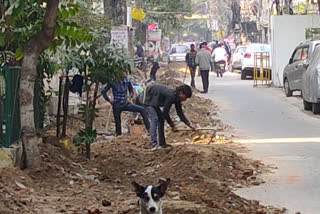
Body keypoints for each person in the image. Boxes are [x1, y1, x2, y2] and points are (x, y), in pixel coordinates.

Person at [138, 84, 195, 149]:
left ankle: (162, 143)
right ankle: (153, 144)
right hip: (147, 98)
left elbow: (180, 112)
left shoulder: (177, 97)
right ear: (181, 93)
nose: (185, 99)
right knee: (155, 118)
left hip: (154, 100)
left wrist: (189, 124)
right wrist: (172, 125)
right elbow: (165, 112)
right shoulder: (170, 96)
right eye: (186, 97)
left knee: (161, 119)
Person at [102, 71, 150, 136]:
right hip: (117, 104)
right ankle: (118, 136)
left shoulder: (127, 81)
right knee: (117, 122)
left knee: (142, 109)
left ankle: (149, 129)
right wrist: (109, 100)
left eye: (125, 73)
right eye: (123, 72)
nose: (124, 74)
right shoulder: (113, 82)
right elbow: (103, 91)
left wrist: (129, 98)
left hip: (125, 103)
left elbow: (131, 91)